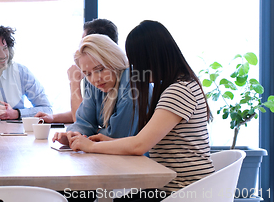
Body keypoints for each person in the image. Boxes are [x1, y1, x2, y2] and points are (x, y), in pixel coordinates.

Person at [58, 20, 214, 201]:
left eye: (137, 61)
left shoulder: (179, 90)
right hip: (173, 184)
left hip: (182, 190)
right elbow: (142, 142)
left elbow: (140, 145)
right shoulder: (180, 85)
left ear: (153, 58)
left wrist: (92, 145)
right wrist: (105, 140)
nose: (134, 69)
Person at [51, 34, 139, 142]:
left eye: (100, 69)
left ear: (114, 60)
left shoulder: (132, 83)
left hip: (138, 158)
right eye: (87, 74)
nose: (95, 79)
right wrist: (73, 134)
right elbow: (83, 122)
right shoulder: (98, 86)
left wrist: (94, 133)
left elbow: (117, 137)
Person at [35, 18, 119, 123]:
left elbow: (80, 120)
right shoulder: (96, 77)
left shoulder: (107, 78)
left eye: (84, 43)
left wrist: (74, 82)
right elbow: (85, 113)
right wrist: (53, 118)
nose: (81, 48)